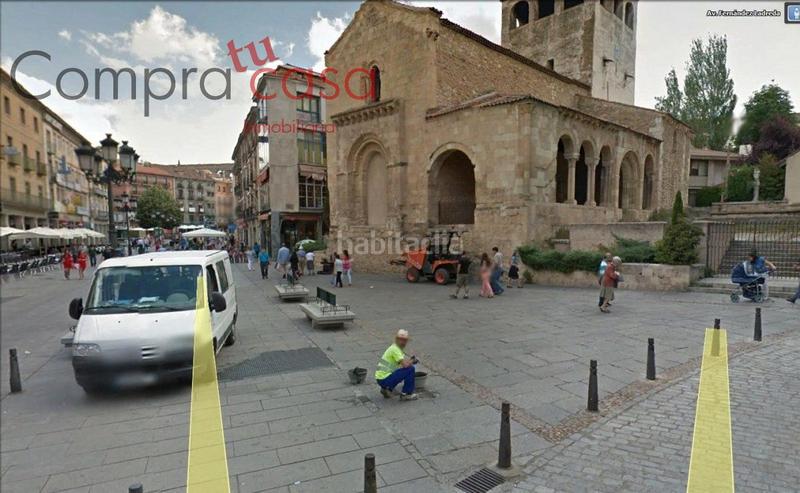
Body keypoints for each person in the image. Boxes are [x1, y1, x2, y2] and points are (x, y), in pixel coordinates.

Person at [375, 329, 419, 401]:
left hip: (380, 378)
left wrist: (410, 361)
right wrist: (412, 361)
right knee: (411, 369)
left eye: (404, 340)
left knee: (404, 370)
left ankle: (386, 389)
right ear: (397, 339)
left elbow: (402, 365)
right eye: (401, 340)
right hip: (384, 379)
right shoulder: (396, 350)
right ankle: (406, 394)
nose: (403, 342)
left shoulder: (393, 347)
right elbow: (405, 366)